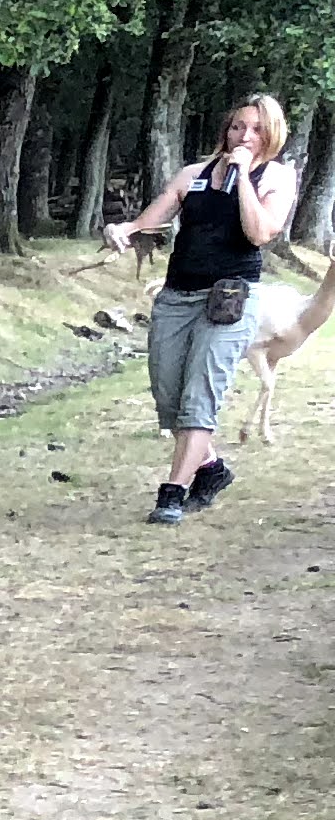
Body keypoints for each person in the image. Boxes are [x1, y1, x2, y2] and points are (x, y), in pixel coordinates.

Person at [105, 90, 297, 525]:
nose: (244, 136)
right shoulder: (193, 173)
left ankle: (172, 492)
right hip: (176, 295)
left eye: (256, 129)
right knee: (168, 397)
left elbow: (260, 233)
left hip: (229, 301)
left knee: (199, 397)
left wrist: (244, 177)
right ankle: (211, 470)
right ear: (226, 130)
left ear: (272, 135)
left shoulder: (276, 178)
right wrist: (124, 230)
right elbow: (151, 219)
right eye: (237, 127)